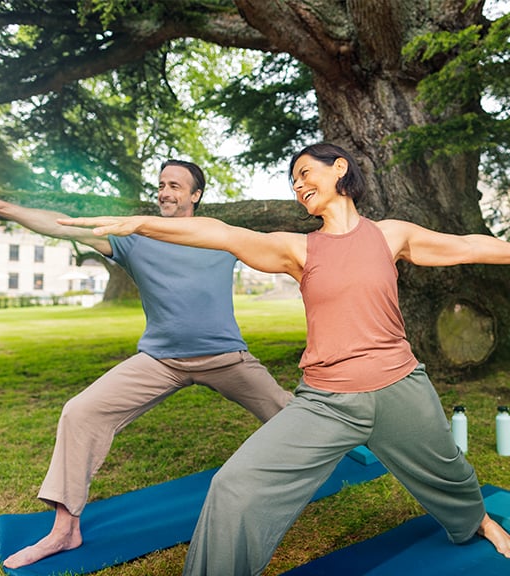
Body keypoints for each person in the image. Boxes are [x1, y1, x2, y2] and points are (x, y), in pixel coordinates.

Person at [57, 142, 510, 575]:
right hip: (327, 401)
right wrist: (142, 225)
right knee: (235, 487)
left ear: (339, 169)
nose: (298, 186)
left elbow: (468, 246)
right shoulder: (300, 248)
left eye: (304, 173)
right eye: (293, 182)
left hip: (400, 388)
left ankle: (478, 521)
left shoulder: (391, 235)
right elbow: (222, 233)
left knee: (448, 472)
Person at [0, 159, 293, 569]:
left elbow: (287, 252)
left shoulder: (219, 236)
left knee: (290, 412)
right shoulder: (134, 238)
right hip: (161, 360)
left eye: (175, 185)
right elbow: (62, 224)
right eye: (161, 184)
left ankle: (335, 452)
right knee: (80, 412)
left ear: (195, 195)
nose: (164, 191)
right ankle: (65, 530)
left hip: (226, 358)